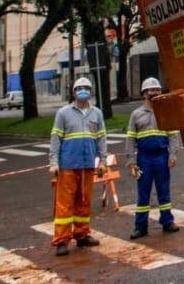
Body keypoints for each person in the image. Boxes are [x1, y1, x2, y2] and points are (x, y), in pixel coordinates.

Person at [48, 76, 108, 256]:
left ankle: (82, 235)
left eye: (87, 88)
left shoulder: (96, 113)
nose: (83, 91)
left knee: (84, 202)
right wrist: (53, 162)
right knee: (64, 205)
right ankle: (61, 240)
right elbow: (55, 138)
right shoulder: (63, 113)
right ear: (73, 92)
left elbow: (101, 138)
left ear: (91, 92)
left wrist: (103, 161)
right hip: (68, 165)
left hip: (87, 165)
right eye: (79, 88)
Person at [125, 77, 182, 239]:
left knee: (164, 191)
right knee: (143, 193)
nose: (154, 93)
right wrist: (131, 161)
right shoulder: (136, 115)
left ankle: (167, 221)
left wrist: (172, 155)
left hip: (161, 157)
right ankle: (140, 226)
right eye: (151, 90)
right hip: (144, 158)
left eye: (157, 90)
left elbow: (173, 135)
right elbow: (130, 138)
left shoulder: (165, 112)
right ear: (144, 93)